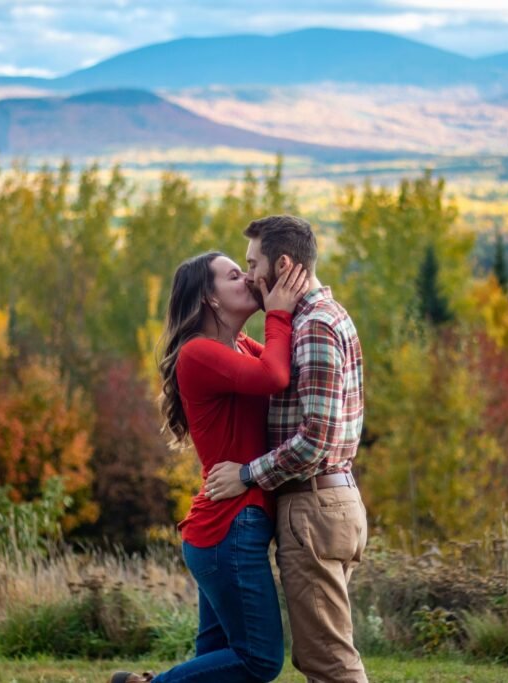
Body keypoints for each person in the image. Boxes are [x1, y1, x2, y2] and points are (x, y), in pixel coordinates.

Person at [111, 251, 310, 683]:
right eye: (234, 276)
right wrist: (277, 313)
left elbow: (285, 367)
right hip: (230, 530)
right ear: (210, 299)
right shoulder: (197, 353)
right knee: (259, 660)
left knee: (218, 658)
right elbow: (273, 378)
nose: (248, 280)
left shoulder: (236, 347)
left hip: (229, 529)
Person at [205, 215, 369, 683]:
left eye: (254, 264)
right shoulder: (326, 317)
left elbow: (316, 439)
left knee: (328, 662)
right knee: (327, 652)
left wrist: (246, 474)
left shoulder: (314, 326)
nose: (251, 276)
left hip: (313, 506)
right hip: (332, 502)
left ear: (282, 263)